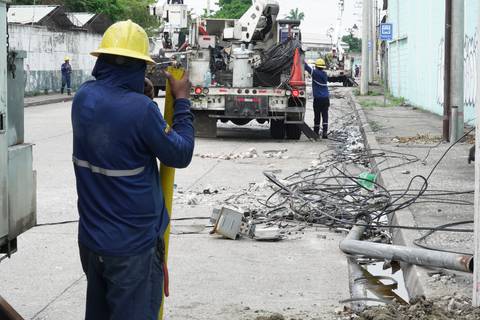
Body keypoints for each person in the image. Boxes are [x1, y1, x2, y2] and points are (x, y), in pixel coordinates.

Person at [71, 20, 194, 320]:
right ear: (140, 66)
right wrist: (182, 102)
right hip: (131, 251)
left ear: (101, 60)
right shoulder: (141, 111)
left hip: (92, 243)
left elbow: (115, 117)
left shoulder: (82, 98)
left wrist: (137, 91)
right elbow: (180, 153)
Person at [305, 58, 330, 138]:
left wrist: (301, 58)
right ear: (323, 67)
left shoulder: (315, 73)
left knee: (317, 116)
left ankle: (316, 133)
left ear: (316, 66)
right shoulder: (325, 74)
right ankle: (325, 133)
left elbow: (306, 67)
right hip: (326, 99)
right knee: (325, 115)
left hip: (318, 99)